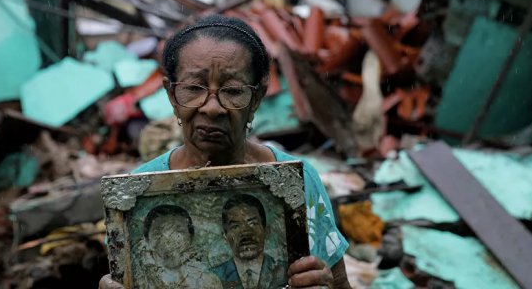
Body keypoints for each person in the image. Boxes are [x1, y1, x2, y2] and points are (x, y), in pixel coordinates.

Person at [100, 15, 351, 289]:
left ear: (257, 98)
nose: (212, 107)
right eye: (194, 88)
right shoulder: (137, 196)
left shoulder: (300, 182)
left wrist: (324, 283)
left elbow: (339, 284)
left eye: (232, 90)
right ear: (171, 94)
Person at [210, 194, 286, 289]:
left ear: (267, 231)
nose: (245, 232)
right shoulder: (212, 277)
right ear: (225, 237)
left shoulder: (285, 271)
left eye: (253, 223)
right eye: (235, 226)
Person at [139, 204, 222, 289]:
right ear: (147, 239)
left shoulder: (208, 282)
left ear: (191, 236)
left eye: (178, 231)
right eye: (158, 232)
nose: (169, 240)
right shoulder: (141, 283)